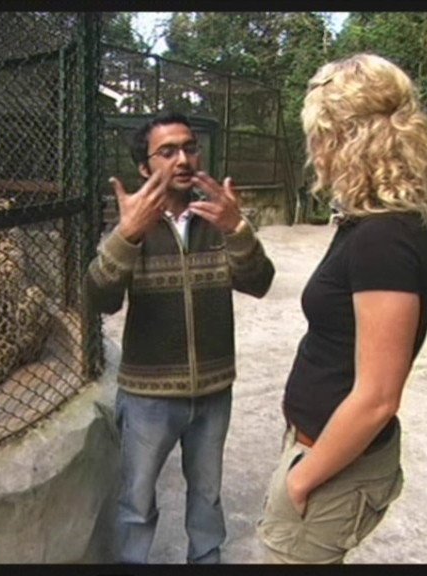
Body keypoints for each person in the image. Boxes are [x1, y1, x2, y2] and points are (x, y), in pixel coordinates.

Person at [257, 53, 427, 564]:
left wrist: (302, 480)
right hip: (321, 449)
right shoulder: (375, 224)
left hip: (333, 467)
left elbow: (378, 397)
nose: (315, 152)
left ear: (347, 139)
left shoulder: (384, 239)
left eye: (319, 137)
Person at [86, 111, 275, 564]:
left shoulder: (217, 220)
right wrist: (126, 235)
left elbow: (260, 282)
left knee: (207, 498)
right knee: (137, 502)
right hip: (148, 396)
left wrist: (238, 230)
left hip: (213, 392)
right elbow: (99, 298)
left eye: (190, 148)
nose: (183, 159)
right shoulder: (133, 226)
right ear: (144, 168)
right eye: (167, 152)